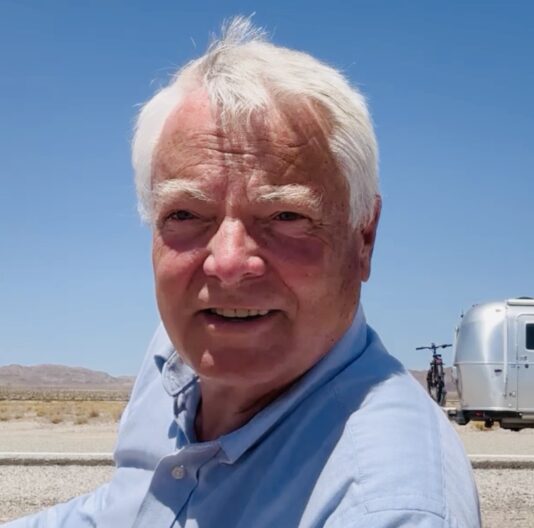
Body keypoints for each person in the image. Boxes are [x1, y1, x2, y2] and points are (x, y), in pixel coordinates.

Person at [8, 17, 480, 528]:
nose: (227, 264)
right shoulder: (179, 350)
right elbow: (124, 508)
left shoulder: (383, 506)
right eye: (186, 214)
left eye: (285, 216)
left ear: (363, 237)